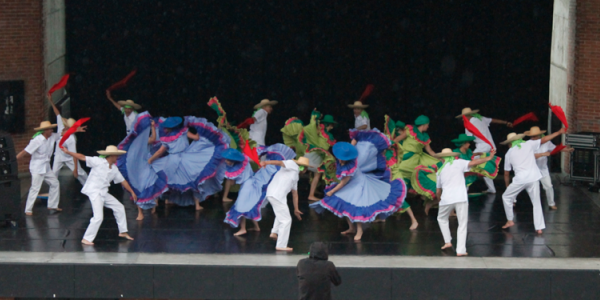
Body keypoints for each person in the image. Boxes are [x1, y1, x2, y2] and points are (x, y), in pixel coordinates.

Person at [310, 139, 407, 241]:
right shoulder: (342, 162)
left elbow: (343, 182)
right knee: (344, 205)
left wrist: (332, 191)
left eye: (342, 158)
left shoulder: (350, 166)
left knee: (357, 207)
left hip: (360, 185)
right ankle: (351, 228)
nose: (340, 160)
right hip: (352, 184)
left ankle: (359, 230)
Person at [61, 145, 136, 245]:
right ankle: (87, 238)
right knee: (98, 217)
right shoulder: (98, 162)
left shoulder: (114, 169)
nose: (117, 158)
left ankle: (123, 231)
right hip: (95, 191)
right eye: (116, 156)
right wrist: (68, 152)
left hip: (103, 192)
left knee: (119, 207)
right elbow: (82, 157)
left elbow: (123, 181)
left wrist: (132, 192)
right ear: (112, 155)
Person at [500, 128, 566, 234]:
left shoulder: (509, 153)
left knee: (506, 197)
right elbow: (544, 139)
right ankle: (539, 228)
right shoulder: (528, 144)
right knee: (536, 202)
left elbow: (506, 173)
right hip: (533, 177)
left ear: (509, 143)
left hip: (520, 179)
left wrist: (507, 185)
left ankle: (510, 220)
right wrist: (558, 132)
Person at [434, 148, 497, 256]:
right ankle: (460, 250)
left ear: (442, 158)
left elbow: (438, 191)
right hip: (460, 198)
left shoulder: (440, 171)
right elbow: (475, 162)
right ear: (453, 156)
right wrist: (489, 157)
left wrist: (440, 201)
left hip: (446, 199)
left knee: (441, 218)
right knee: (462, 224)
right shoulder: (458, 163)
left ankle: (447, 241)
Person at [222, 144, 295, 236]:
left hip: (247, 186)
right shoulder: (244, 159)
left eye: (227, 160)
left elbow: (232, 183)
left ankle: (243, 228)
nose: (226, 161)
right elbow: (255, 160)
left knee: (240, 207)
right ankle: (256, 227)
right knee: (251, 204)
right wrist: (260, 162)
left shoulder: (234, 169)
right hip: (252, 180)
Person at [281, 109, 338, 201]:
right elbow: (323, 146)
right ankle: (310, 194)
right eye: (331, 125)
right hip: (314, 156)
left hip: (309, 154)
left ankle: (283, 187)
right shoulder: (323, 133)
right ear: (328, 124)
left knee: (303, 171)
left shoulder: (318, 130)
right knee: (316, 172)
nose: (331, 127)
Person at [456, 107, 513, 194]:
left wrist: (462, 146)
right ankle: (492, 189)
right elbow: (493, 120)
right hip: (491, 146)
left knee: (470, 164)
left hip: (482, 146)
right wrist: (505, 122)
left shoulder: (469, 124)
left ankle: (464, 189)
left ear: (465, 116)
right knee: (483, 167)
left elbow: (468, 138)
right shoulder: (480, 118)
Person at [262, 156, 310, 251]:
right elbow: (280, 162)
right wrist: (266, 162)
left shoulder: (295, 176)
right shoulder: (292, 164)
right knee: (286, 220)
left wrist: (296, 209)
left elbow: (295, 193)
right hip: (276, 195)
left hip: (276, 196)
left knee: (281, 214)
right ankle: (281, 245)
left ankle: (274, 232)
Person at [16, 121, 63, 215]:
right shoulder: (37, 140)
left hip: (46, 166)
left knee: (55, 183)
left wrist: (74, 129)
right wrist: (14, 160)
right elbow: (25, 151)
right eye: (50, 129)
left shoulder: (52, 136)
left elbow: (62, 134)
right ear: (45, 131)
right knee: (35, 188)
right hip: (37, 167)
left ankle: (52, 205)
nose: (51, 130)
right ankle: (28, 209)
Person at [383, 116, 418, 230]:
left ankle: (414, 220)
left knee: (400, 199)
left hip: (395, 178)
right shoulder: (387, 152)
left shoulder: (391, 152)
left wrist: (390, 183)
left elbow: (392, 169)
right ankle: (382, 217)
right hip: (390, 177)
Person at [527, 126, 573, 210]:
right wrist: (542, 154)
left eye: (535, 136)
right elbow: (529, 156)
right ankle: (533, 204)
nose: (533, 138)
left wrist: (567, 150)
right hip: (532, 169)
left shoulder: (546, 143)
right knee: (532, 188)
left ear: (539, 135)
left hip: (543, 169)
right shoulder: (528, 144)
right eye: (532, 136)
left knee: (548, 186)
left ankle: (551, 203)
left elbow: (555, 149)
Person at [46, 95, 88, 185]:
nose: (64, 125)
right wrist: (50, 101)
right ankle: (52, 191)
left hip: (69, 158)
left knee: (80, 173)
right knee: (53, 175)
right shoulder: (61, 125)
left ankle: (89, 186)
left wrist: (75, 169)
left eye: (66, 125)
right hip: (58, 155)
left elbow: (74, 155)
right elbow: (57, 113)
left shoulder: (71, 139)